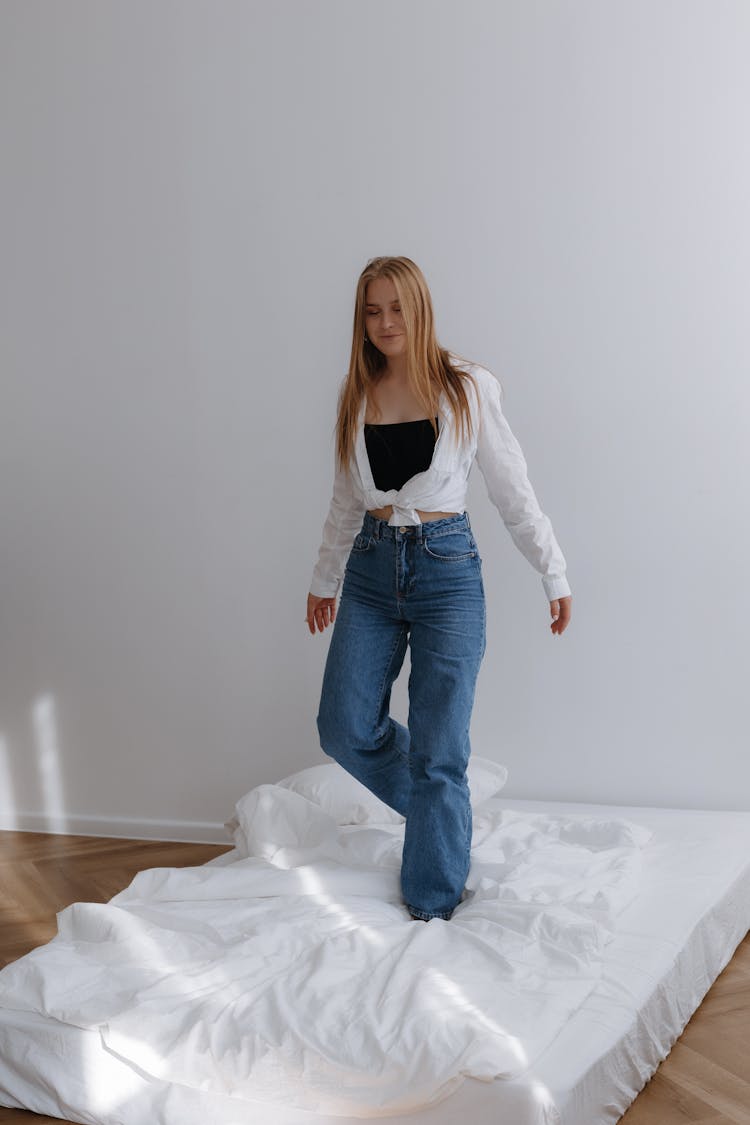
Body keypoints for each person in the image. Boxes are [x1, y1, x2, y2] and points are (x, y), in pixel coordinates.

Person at [305, 256, 572, 923]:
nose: (385, 322)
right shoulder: (357, 389)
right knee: (342, 724)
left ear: (420, 308)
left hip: (446, 572)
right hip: (369, 569)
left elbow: (511, 487)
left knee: (439, 743)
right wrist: (323, 577)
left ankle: (430, 901)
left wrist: (552, 569)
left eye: (396, 307)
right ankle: (443, 809)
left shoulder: (467, 386)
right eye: (372, 310)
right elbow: (346, 496)